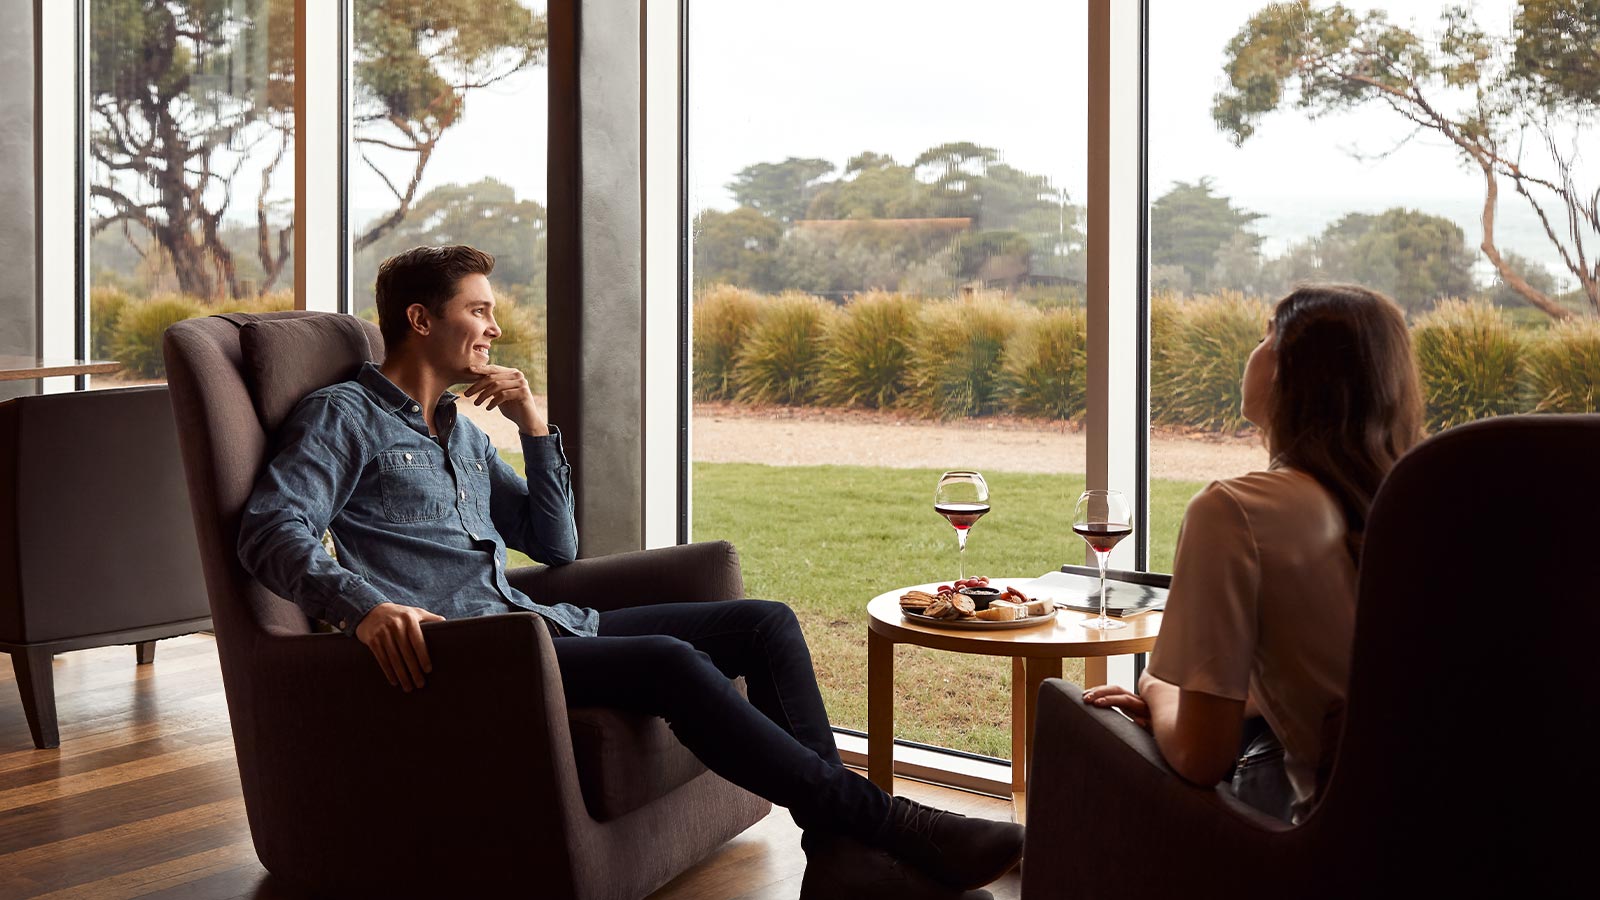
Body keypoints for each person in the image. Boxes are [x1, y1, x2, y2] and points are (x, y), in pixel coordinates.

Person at [236, 245, 1022, 899]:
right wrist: (363, 605)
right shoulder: (342, 417)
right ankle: (894, 826)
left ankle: (839, 853)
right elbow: (271, 527)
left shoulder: (463, 435)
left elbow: (556, 545)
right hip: (475, 655)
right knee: (670, 660)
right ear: (420, 319)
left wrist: (535, 427)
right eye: (478, 310)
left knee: (765, 622)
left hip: (536, 628)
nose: (494, 326)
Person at [1083, 284, 1423, 824]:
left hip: (1318, 843)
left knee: (1069, 710)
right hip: (1421, 824)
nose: (1256, 348)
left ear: (1293, 372)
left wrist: (1157, 687)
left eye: (1267, 334)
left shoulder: (1235, 511)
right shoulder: (1404, 500)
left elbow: (1200, 756)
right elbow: (1333, 680)